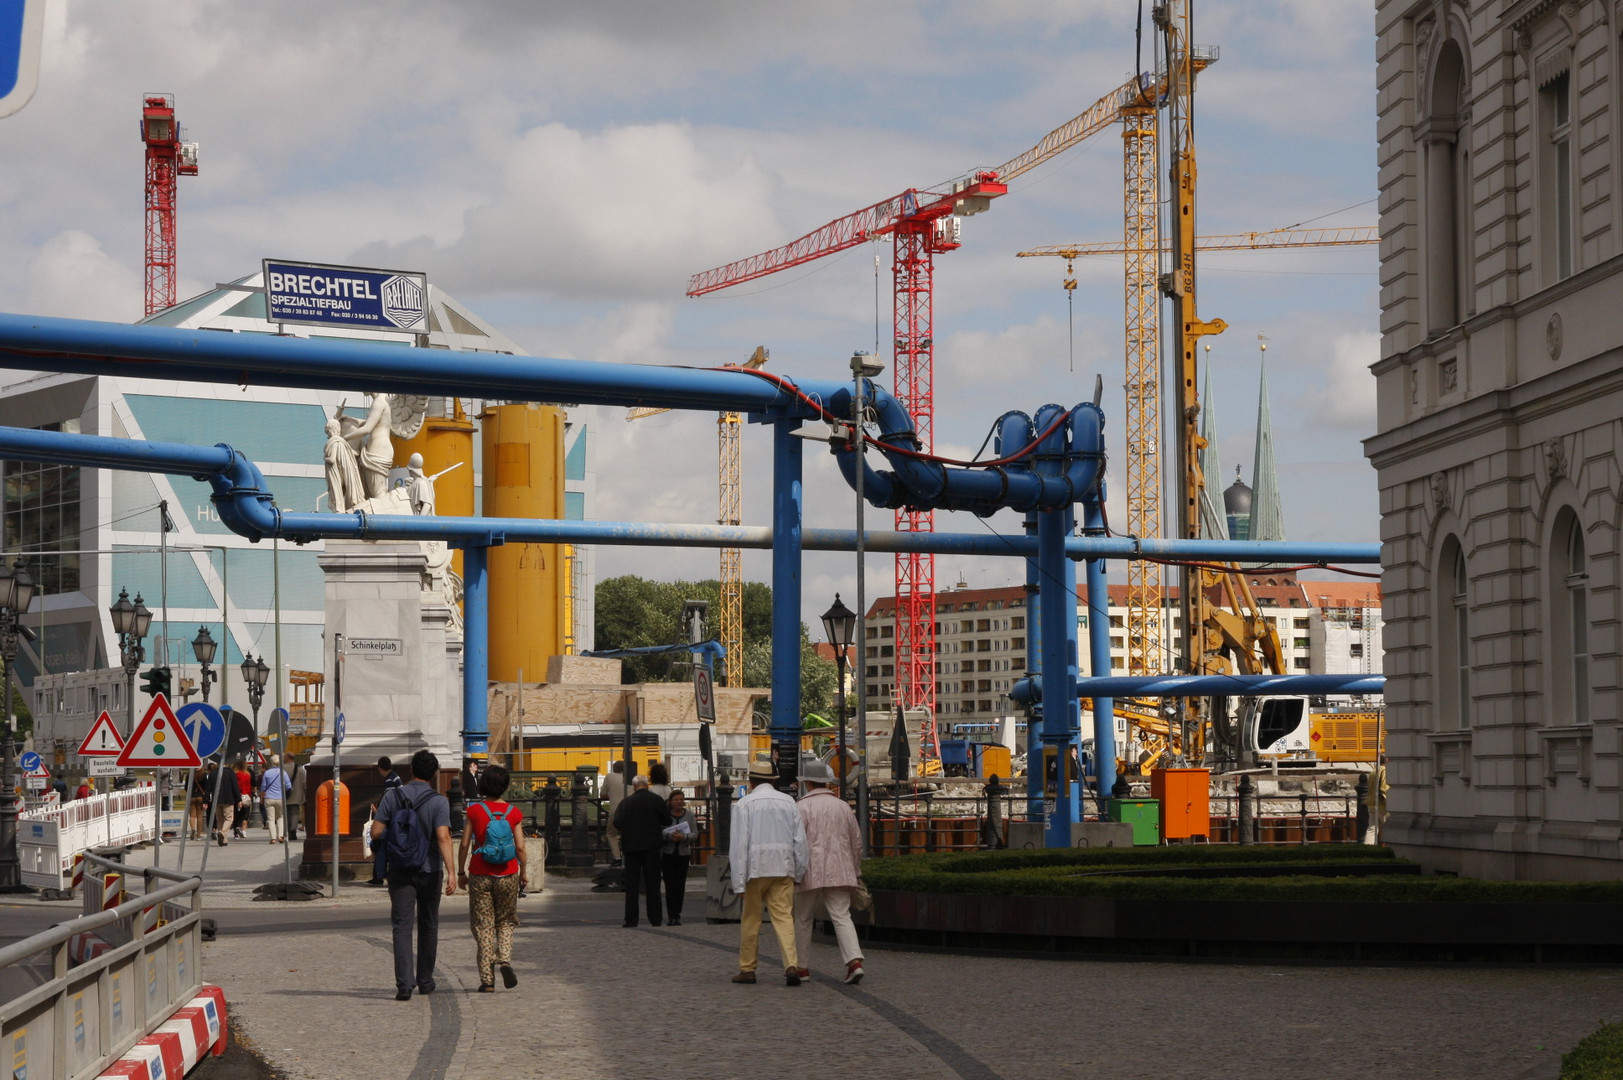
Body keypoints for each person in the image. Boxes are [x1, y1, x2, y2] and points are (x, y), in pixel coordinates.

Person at [370, 749, 457, 1001]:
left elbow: (376, 831)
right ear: (435, 773)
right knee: (429, 924)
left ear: (411, 770)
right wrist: (452, 872)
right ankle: (426, 981)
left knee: (401, 926)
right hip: (429, 869)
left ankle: (404, 985)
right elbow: (443, 837)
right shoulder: (439, 801)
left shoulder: (393, 796)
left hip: (399, 869)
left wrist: (397, 836)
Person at [729, 753, 808, 986]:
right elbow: (800, 842)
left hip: (754, 869)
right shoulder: (789, 802)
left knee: (751, 919)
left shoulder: (744, 804)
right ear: (773, 780)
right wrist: (799, 872)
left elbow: (738, 846)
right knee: (784, 918)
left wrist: (738, 882)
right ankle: (791, 965)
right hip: (783, 867)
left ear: (751, 781)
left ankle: (747, 968)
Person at [792, 759, 866, 985]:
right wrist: (855, 870)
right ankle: (854, 962)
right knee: (842, 916)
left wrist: (794, 872)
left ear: (807, 783)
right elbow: (857, 842)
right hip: (840, 868)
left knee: (803, 918)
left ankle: (801, 968)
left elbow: (795, 843)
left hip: (809, 871)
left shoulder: (801, 807)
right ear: (826, 782)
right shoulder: (842, 806)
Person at [456, 762, 527, 992]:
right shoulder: (513, 812)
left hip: (480, 873)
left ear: (484, 784)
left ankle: (487, 981)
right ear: (505, 786)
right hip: (507, 873)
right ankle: (504, 958)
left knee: (483, 925)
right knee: (506, 921)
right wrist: (523, 872)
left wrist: (460, 871)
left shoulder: (475, 811)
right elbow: (520, 848)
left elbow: (465, 843)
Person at [612, 775, 672, 928]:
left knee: (632, 886)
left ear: (634, 787)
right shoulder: (656, 800)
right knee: (653, 885)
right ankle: (656, 918)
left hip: (631, 848)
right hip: (652, 847)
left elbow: (617, 822)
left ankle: (631, 920)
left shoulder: (627, 802)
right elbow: (667, 820)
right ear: (646, 784)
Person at [661, 789, 697, 926]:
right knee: (670, 885)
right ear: (671, 801)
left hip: (683, 853)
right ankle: (671, 915)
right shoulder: (666, 816)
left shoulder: (689, 816)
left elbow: (695, 833)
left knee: (680, 885)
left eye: (681, 799)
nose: (679, 802)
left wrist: (683, 837)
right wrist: (669, 836)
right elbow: (660, 832)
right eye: (676, 799)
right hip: (668, 853)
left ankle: (678, 914)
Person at [367, 757, 404, 886]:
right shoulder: (396, 777)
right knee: (383, 847)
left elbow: (390, 801)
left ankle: (379, 876)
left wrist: (379, 813)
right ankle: (379, 875)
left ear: (380, 768)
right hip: (397, 819)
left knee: (379, 846)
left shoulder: (389, 780)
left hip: (389, 821)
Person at [601, 760, 628, 866]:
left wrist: (611, 796)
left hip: (616, 811)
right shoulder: (632, 777)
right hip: (631, 811)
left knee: (611, 834)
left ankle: (617, 858)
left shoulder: (609, 776)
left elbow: (602, 794)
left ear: (614, 769)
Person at [212, 761, 240, 846]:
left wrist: (206, 800)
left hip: (216, 799)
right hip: (228, 799)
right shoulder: (230, 772)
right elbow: (235, 786)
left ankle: (224, 840)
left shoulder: (213, 773)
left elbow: (208, 786)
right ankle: (222, 832)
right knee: (229, 818)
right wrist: (238, 799)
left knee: (220, 819)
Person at [261, 754, 287, 843]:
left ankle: (272, 838)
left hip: (269, 798)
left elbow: (263, 787)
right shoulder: (283, 772)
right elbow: (288, 786)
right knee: (280, 817)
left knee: (270, 819)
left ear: (271, 762)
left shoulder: (267, 773)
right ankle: (280, 836)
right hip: (280, 798)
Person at [286, 757, 305, 842]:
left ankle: (287, 831)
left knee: (286, 814)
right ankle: (293, 829)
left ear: (287, 758)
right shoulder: (300, 768)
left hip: (285, 794)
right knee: (295, 813)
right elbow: (304, 782)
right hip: (297, 794)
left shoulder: (282, 768)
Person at [232, 760, 253, 837]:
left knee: (236, 814)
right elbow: (249, 786)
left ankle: (236, 831)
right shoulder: (248, 775)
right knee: (245, 814)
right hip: (246, 795)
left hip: (237, 796)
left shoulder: (235, 774)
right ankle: (243, 831)